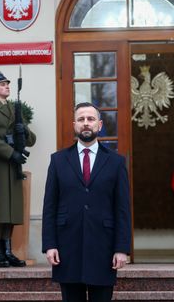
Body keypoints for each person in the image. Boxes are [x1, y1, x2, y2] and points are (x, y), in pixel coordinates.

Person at [42, 102, 131, 302]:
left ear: (99, 125)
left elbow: (122, 208)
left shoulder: (116, 162)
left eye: (90, 119)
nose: (86, 123)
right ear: (74, 125)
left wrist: (122, 248)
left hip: (104, 247)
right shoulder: (58, 160)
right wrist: (50, 244)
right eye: (81, 119)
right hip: (67, 247)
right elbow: (50, 206)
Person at [0, 71, 36, 267]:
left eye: (7, 84)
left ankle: (8, 251)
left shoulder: (14, 108)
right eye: (2, 84)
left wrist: (23, 130)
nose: (7, 86)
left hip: (13, 164)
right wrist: (11, 153)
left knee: (12, 209)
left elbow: (31, 139)